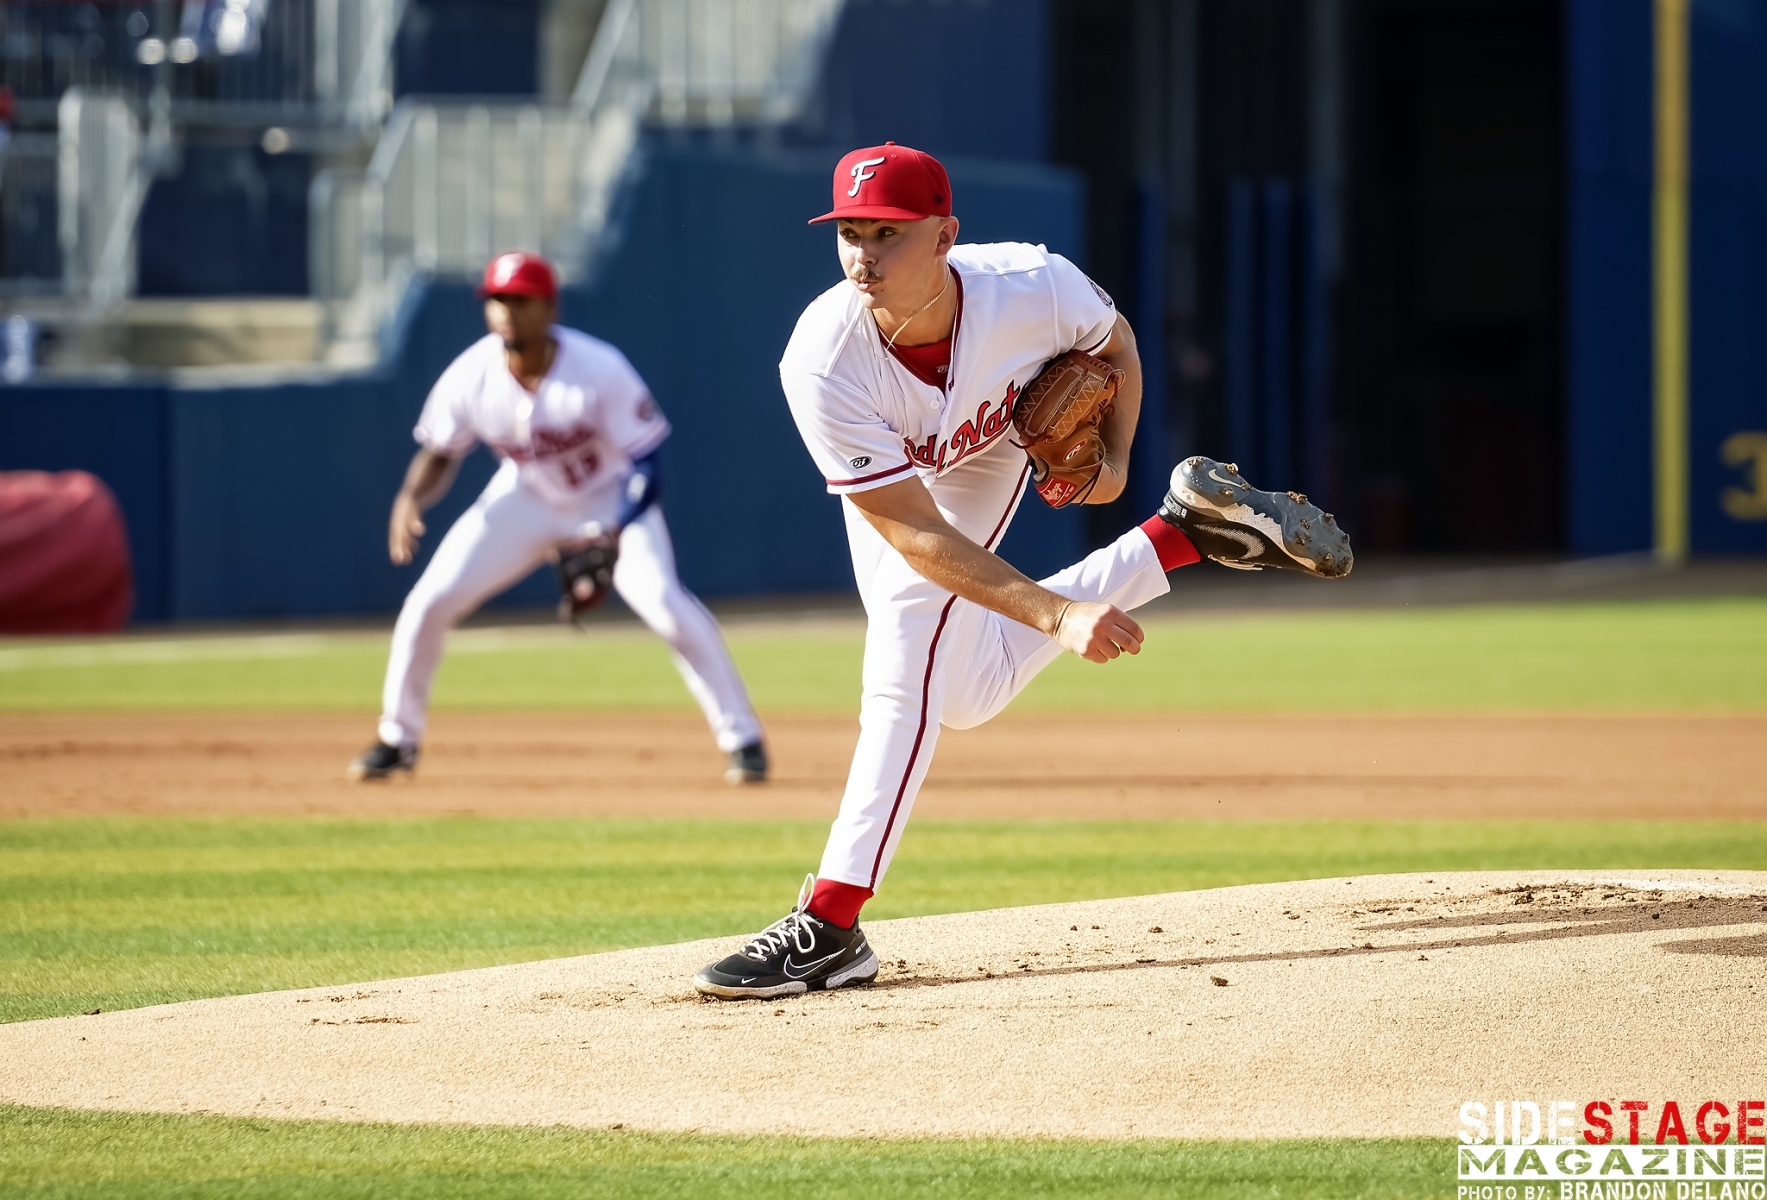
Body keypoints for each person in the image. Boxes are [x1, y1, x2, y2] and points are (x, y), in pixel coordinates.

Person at [693, 143, 1351, 998]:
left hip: (983, 457)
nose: (864, 254)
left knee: (904, 674)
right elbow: (909, 530)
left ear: (944, 236)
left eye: (889, 234)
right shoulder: (822, 357)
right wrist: (1055, 614)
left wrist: (1113, 460)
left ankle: (830, 921)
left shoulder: (1030, 287)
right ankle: (1178, 537)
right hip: (903, 496)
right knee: (957, 695)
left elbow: (1113, 343)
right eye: (850, 232)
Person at [349, 252, 768, 785]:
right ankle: (396, 738)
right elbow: (439, 452)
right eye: (497, 300)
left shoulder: (598, 367)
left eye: (519, 300)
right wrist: (409, 498)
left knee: (665, 604)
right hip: (524, 498)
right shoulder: (472, 374)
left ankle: (743, 738)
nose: (506, 311)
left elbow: (647, 463)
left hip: (610, 500)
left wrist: (614, 529)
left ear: (548, 306)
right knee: (428, 602)